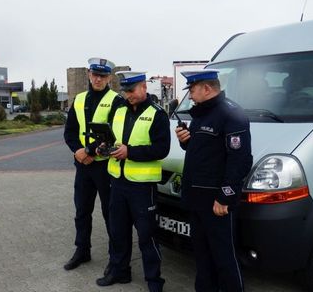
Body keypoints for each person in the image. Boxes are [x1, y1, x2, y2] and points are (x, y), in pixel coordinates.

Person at [175, 69, 252, 292]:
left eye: (191, 89)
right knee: (201, 255)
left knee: (224, 257)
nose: (189, 95)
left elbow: (240, 160)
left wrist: (225, 197)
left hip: (216, 202)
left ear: (206, 88)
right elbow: (205, 152)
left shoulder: (231, 114)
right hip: (196, 198)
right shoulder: (201, 114)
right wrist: (185, 142)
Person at [95, 71, 170, 292]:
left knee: (147, 236)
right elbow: (111, 139)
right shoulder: (118, 111)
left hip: (142, 186)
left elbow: (161, 149)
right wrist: (103, 148)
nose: (128, 95)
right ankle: (120, 272)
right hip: (118, 182)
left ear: (144, 87)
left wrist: (130, 152)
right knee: (118, 232)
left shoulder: (157, 114)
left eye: (132, 90)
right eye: (125, 91)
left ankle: (154, 281)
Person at [63, 57, 123, 274]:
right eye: (95, 74)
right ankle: (82, 251)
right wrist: (78, 151)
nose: (98, 79)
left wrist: (89, 151)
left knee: (110, 213)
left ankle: (115, 258)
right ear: (89, 74)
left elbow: (115, 134)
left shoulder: (116, 101)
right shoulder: (78, 99)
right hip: (83, 166)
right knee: (82, 210)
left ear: (108, 78)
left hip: (104, 166)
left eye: (103, 76)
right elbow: (70, 131)